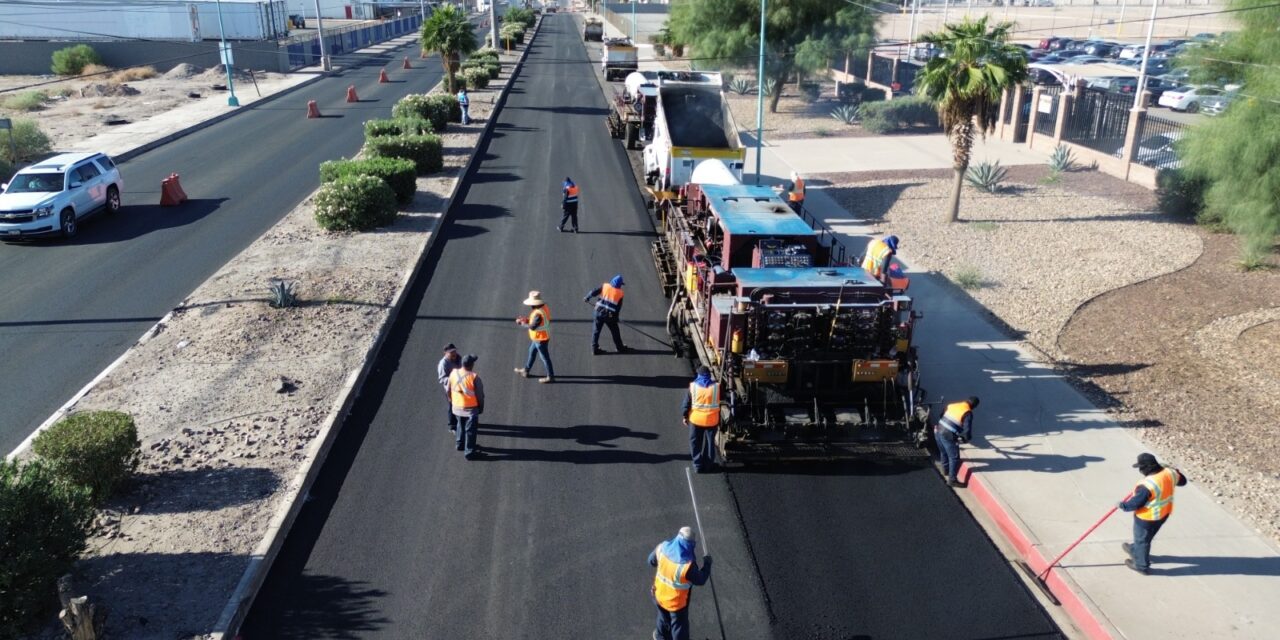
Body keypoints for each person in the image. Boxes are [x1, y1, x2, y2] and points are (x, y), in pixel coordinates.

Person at [1118, 453, 1188, 574]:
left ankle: (1141, 565)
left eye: (1141, 467)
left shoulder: (1147, 485)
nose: (1140, 470)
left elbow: (1135, 504)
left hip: (1147, 517)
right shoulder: (1170, 472)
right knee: (1146, 537)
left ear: (1146, 467)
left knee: (1142, 540)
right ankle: (1136, 549)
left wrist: (1122, 505)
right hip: (1163, 513)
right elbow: (1183, 481)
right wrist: (1174, 470)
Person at [648, 526, 712, 640]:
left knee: (663, 618)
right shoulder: (687, 566)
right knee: (679, 627)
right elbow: (701, 579)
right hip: (676, 603)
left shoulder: (662, 548)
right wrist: (707, 564)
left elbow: (651, 561)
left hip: (658, 595)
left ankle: (660, 636)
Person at [682, 366, 720, 473]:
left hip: (696, 420)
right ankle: (708, 466)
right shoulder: (716, 387)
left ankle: (698, 465)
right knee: (710, 444)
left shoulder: (693, 386)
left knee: (695, 442)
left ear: (699, 375)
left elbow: (686, 403)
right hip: (712, 421)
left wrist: (685, 416)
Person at [935, 396, 978, 487]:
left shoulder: (952, 405)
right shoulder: (967, 412)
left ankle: (945, 470)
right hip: (948, 435)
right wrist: (965, 439)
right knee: (954, 457)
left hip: (938, 430)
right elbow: (967, 430)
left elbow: (941, 415)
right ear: (974, 406)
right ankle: (952, 480)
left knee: (943, 451)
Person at [514, 290, 555, 383]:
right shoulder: (543, 308)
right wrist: (526, 320)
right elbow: (535, 321)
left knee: (544, 358)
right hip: (538, 338)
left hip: (541, 339)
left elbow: (533, 327)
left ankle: (550, 376)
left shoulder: (538, 314)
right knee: (531, 351)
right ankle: (526, 370)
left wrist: (521, 323)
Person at [449, 354, 485, 459]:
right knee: (470, 431)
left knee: (460, 424)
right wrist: (480, 408)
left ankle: (460, 444)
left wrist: (452, 401)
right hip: (470, 410)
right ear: (472, 365)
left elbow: (448, 389)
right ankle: (469, 452)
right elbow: (480, 395)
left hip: (456, 406)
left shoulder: (453, 373)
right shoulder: (474, 377)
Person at [584, 274, 628, 355]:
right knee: (615, 331)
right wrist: (616, 318)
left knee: (596, 331)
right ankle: (620, 347)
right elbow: (617, 308)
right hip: (609, 316)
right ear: (620, 284)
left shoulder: (605, 286)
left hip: (598, 312)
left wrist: (587, 297)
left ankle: (594, 349)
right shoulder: (620, 293)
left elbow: (594, 292)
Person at [437, 344, 461, 433]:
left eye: (454, 351)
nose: (454, 353)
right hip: (451, 390)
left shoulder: (458, 358)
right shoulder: (443, 364)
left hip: (460, 386)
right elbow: (442, 379)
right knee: (452, 406)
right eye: (451, 352)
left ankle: (464, 421)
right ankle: (452, 426)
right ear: (445, 353)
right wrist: (454, 378)